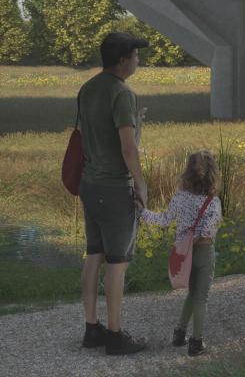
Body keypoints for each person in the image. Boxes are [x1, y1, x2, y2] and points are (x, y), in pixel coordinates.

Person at [78, 30, 150, 355]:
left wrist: (136, 122)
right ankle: (116, 335)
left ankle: (92, 328)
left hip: (90, 185)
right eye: (136, 55)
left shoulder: (87, 88)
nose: (138, 59)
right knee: (117, 262)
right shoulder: (123, 93)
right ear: (123, 61)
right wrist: (141, 183)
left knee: (94, 254)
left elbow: (93, 132)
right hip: (113, 187)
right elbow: (127, 148)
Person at [141, 150, 223, 356]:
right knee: (201, 297)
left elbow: (165, 220)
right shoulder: (213, 202)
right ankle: (196, 342)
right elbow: (208, 231)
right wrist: (199, 233)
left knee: (192, 293)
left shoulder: (180, 197)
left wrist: (142, 212)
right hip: (204, 252)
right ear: (212, 175)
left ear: (187, 173)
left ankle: (179, 333)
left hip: (183, 253)